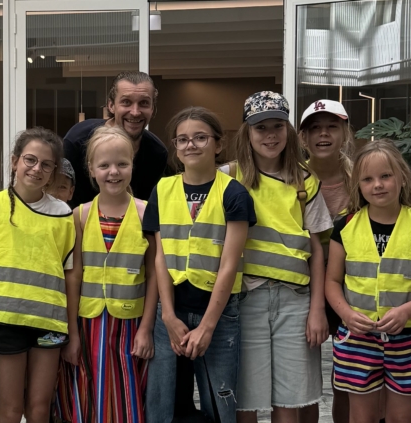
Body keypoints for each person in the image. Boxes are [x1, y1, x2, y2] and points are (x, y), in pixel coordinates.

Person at [324, 140, 411, 423]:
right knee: (361, 416)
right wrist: (346, 314)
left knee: (401, 417)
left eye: (385, 176)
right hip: (358, 338)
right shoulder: (345, 227)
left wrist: (406, 311)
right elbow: (332, 281)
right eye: (367, 179)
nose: (377, 185)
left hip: (409, 338)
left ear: (402, 177)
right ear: (358, 185)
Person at [226, 92, 333, 423]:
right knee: (245, 398)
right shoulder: (227, 177)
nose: (270, 135)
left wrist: (317, 309)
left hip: (295, 300)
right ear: (247, 132)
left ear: (288, 130)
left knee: (290, 399)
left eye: (277, 126)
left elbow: (317, 250)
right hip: (245, 298)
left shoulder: (305, 182)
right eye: (261, 128)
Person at [145, 107, 255, 423]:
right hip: (172, 310)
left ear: (218, 144)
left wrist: (207, 327)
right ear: (175, 147)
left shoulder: (234, 193)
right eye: (182, 139)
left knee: (219, 402)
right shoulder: (162, 190)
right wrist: (167, 316)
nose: (190, 145)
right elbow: (160, 257)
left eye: (200, 138)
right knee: (162, 404)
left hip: (217, 314)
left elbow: (229, 264)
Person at [0, 127, 77, 423]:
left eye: (46, 164)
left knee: (40, 408)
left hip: (49, 321)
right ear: (15, 161)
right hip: (6, 321)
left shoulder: (63, 214)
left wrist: (71, 328)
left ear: (53, 171)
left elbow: (68, 272)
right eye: (30, 160)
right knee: (11, 408)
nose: (37, 168)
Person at [54, 126, 157, 423]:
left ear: (132, 165)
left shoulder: (146, 214)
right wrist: (72, 334)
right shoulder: (80, 215)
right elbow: (74, 275)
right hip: (87, 326)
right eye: (104, 165)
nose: (114, 172)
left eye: (122, 164)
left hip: (129, 326)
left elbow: (154, 275)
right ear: (91, 169)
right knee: (86, 394)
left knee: (126, 395)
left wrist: (146, 329)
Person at [297, 98, 356, 423]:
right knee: (303, 377)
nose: (323, 134)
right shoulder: (293, 178)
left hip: (353, 287)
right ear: (303, 137)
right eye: (315, 128)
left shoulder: (362, 178)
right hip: (303, 286)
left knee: (348, 377)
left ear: (345, 132)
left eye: (332, 126)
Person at [63, 71, 173, 207]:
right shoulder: (78, 141)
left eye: (144, 103)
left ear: (152, 109)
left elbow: (145, 205)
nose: (135, 112)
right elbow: (60, 194)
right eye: (126, 102)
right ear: (111, 105)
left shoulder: (156, 153)